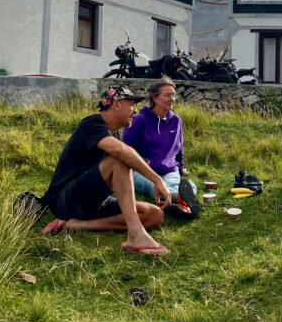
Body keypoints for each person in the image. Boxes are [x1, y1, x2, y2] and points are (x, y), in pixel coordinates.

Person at [42, 85, 170, 257]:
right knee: (119, 159)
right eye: (132, 104)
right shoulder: (92, 123)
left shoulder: (113, 133)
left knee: (154, 215)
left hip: (94, 201)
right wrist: (156, 179)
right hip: (65, 200)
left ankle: (75, 225)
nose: (135, 110)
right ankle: (136, 235)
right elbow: (120, 152)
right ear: (116, 104)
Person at [122, 78, 200, 217]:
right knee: (156, 187)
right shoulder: (140, 120)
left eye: (173, 95)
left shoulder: (176, 121)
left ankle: (174, 204)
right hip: (142, 170)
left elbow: (179, 148)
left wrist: (181, 168)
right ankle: (180, 201)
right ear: (155, 98)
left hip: (168, 170)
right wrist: (145, 162)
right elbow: (125, 149)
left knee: (191, 186)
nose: (172, 98)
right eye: (167, 95)